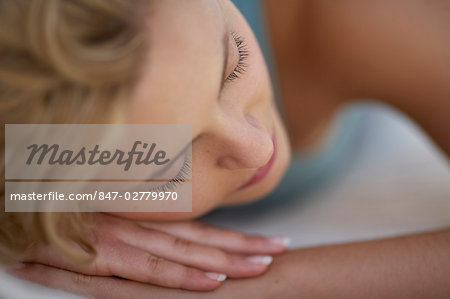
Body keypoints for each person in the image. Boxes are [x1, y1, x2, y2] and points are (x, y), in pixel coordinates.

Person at [1, 0, 449, 298]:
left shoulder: (349, 16)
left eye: (233, 66)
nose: (257, 147)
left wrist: (259, 284)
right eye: (169, 167)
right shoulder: (28, 161)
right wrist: (25, 214)